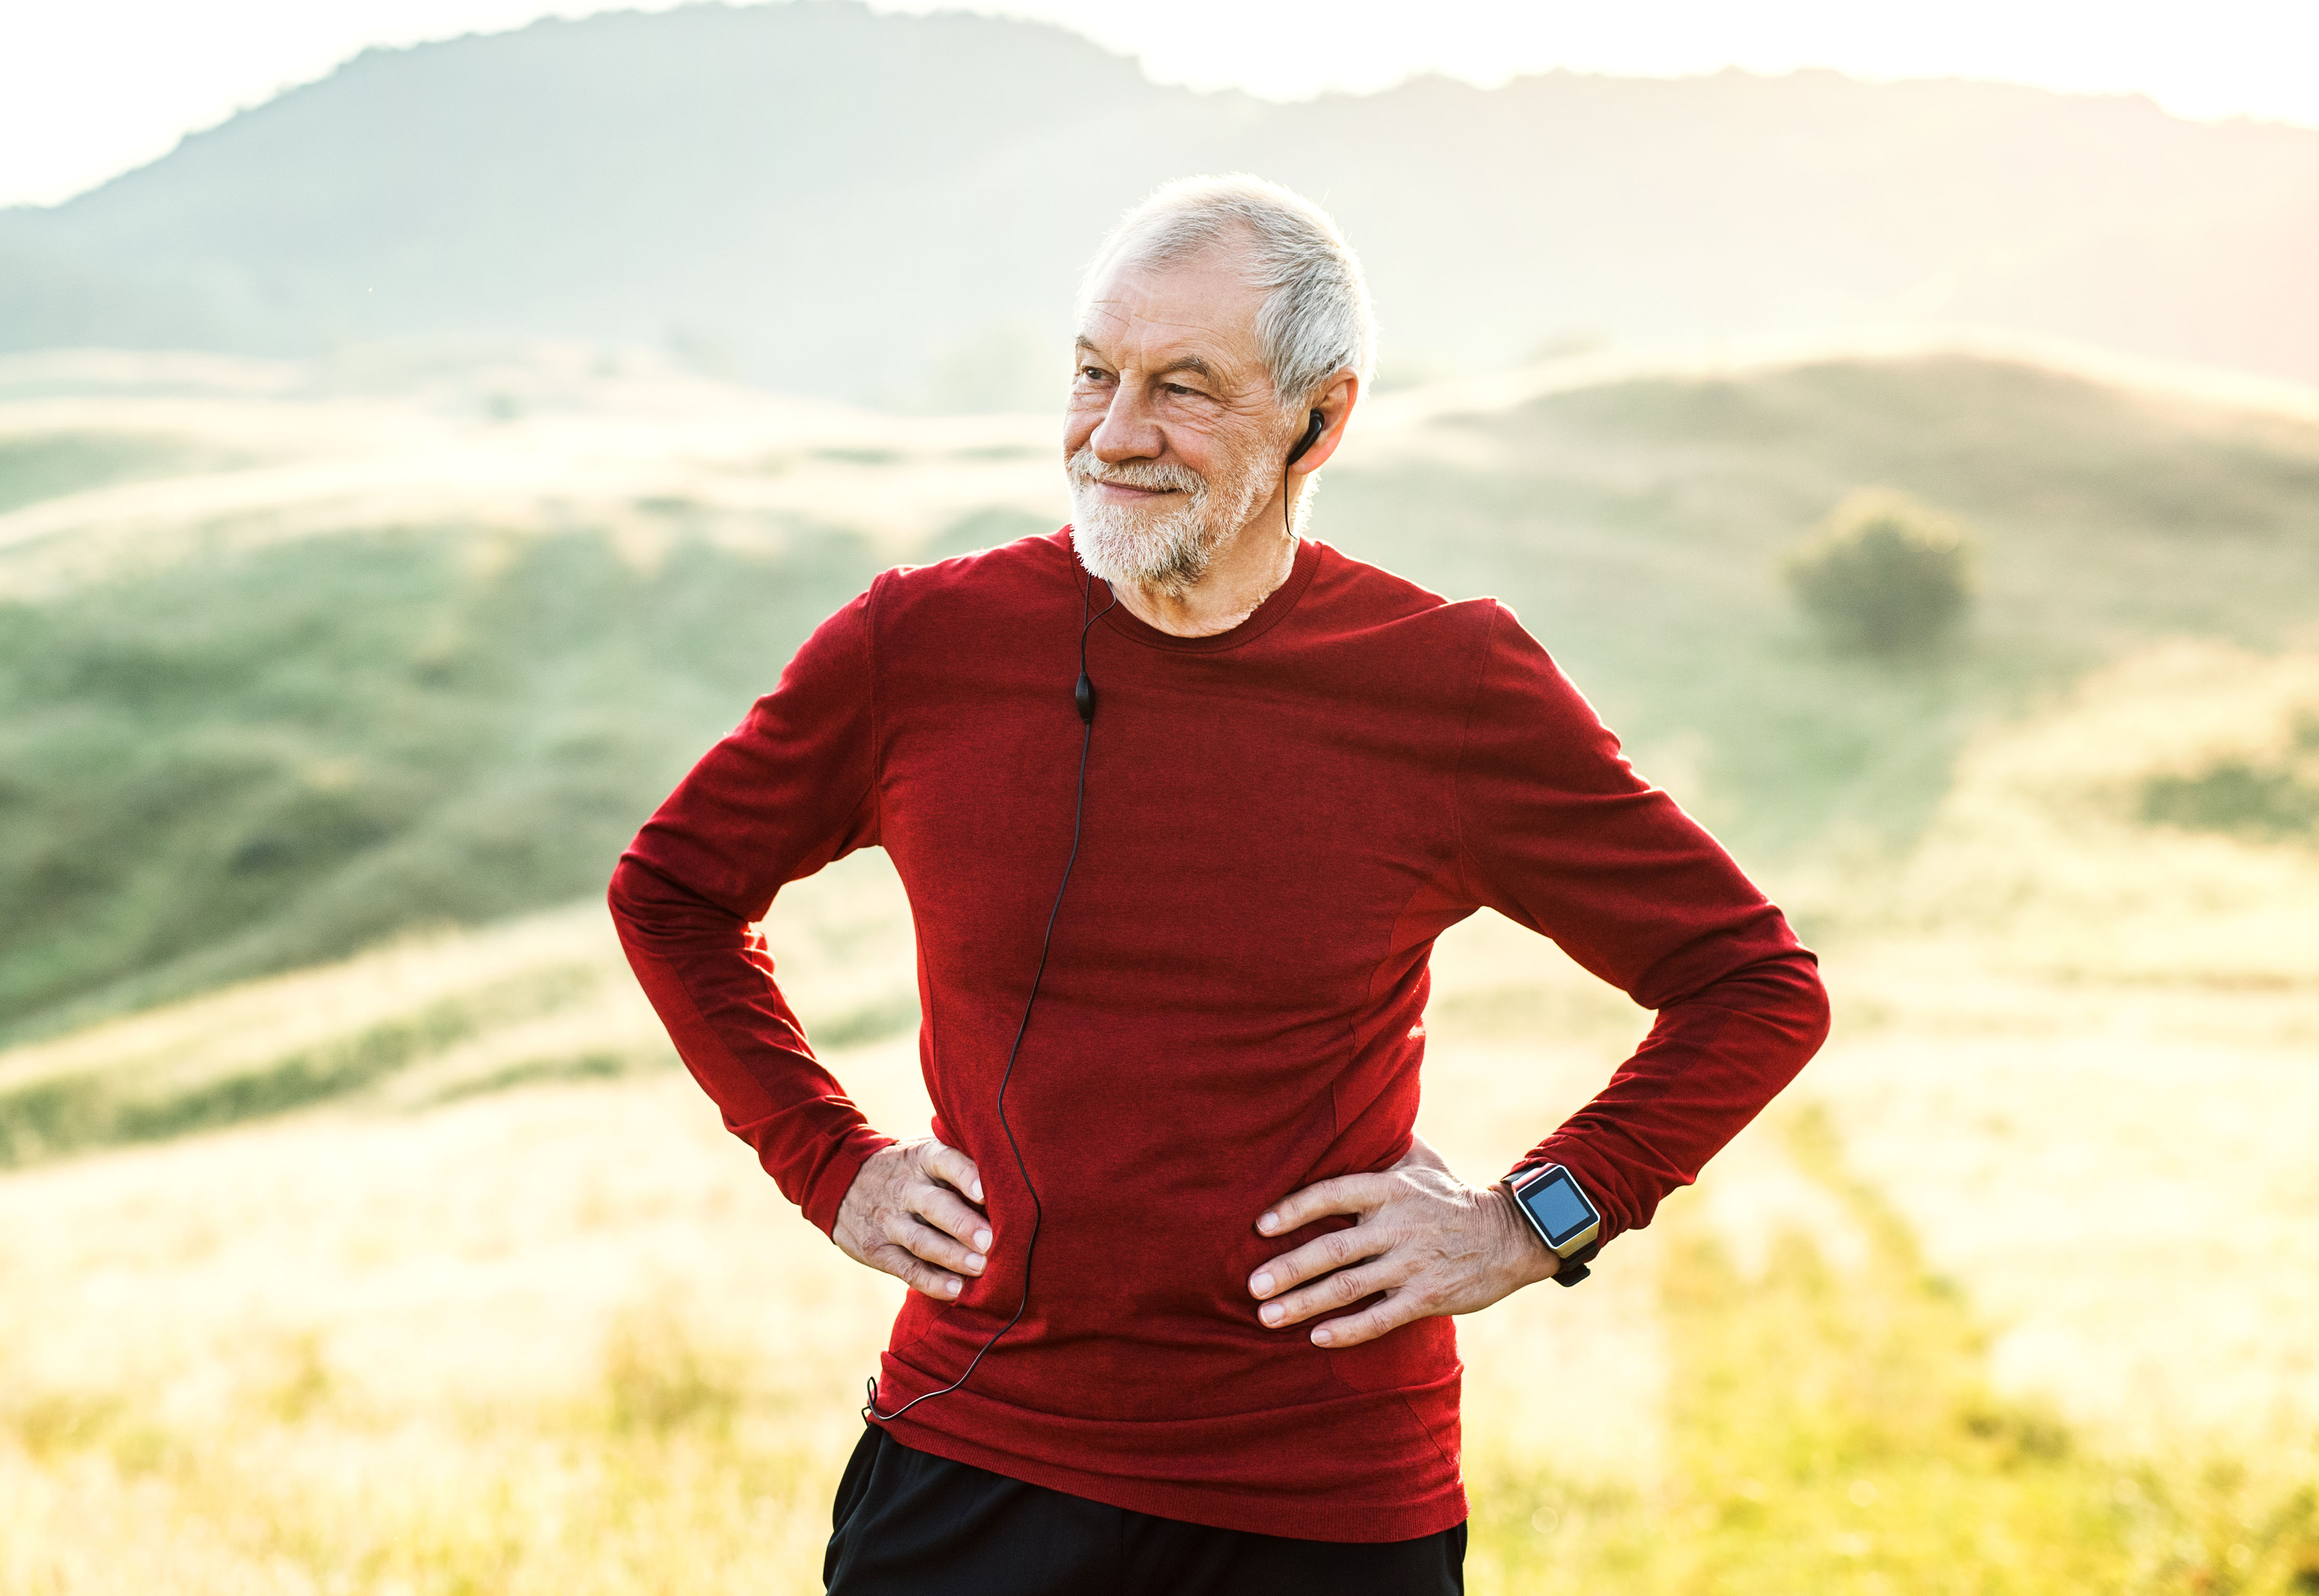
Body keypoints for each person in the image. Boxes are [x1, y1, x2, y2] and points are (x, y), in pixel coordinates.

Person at [607, 173, 1830, 1594]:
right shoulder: (918, 647)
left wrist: (1530, 1220)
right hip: (974, 1458)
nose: (1113, 436)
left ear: (1322, 417)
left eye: (1181, 389)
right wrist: (830, 1166)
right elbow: (674, 889)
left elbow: (1752, 988)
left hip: (1323, 1496)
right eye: (1090, 375)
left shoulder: (1448, 685)